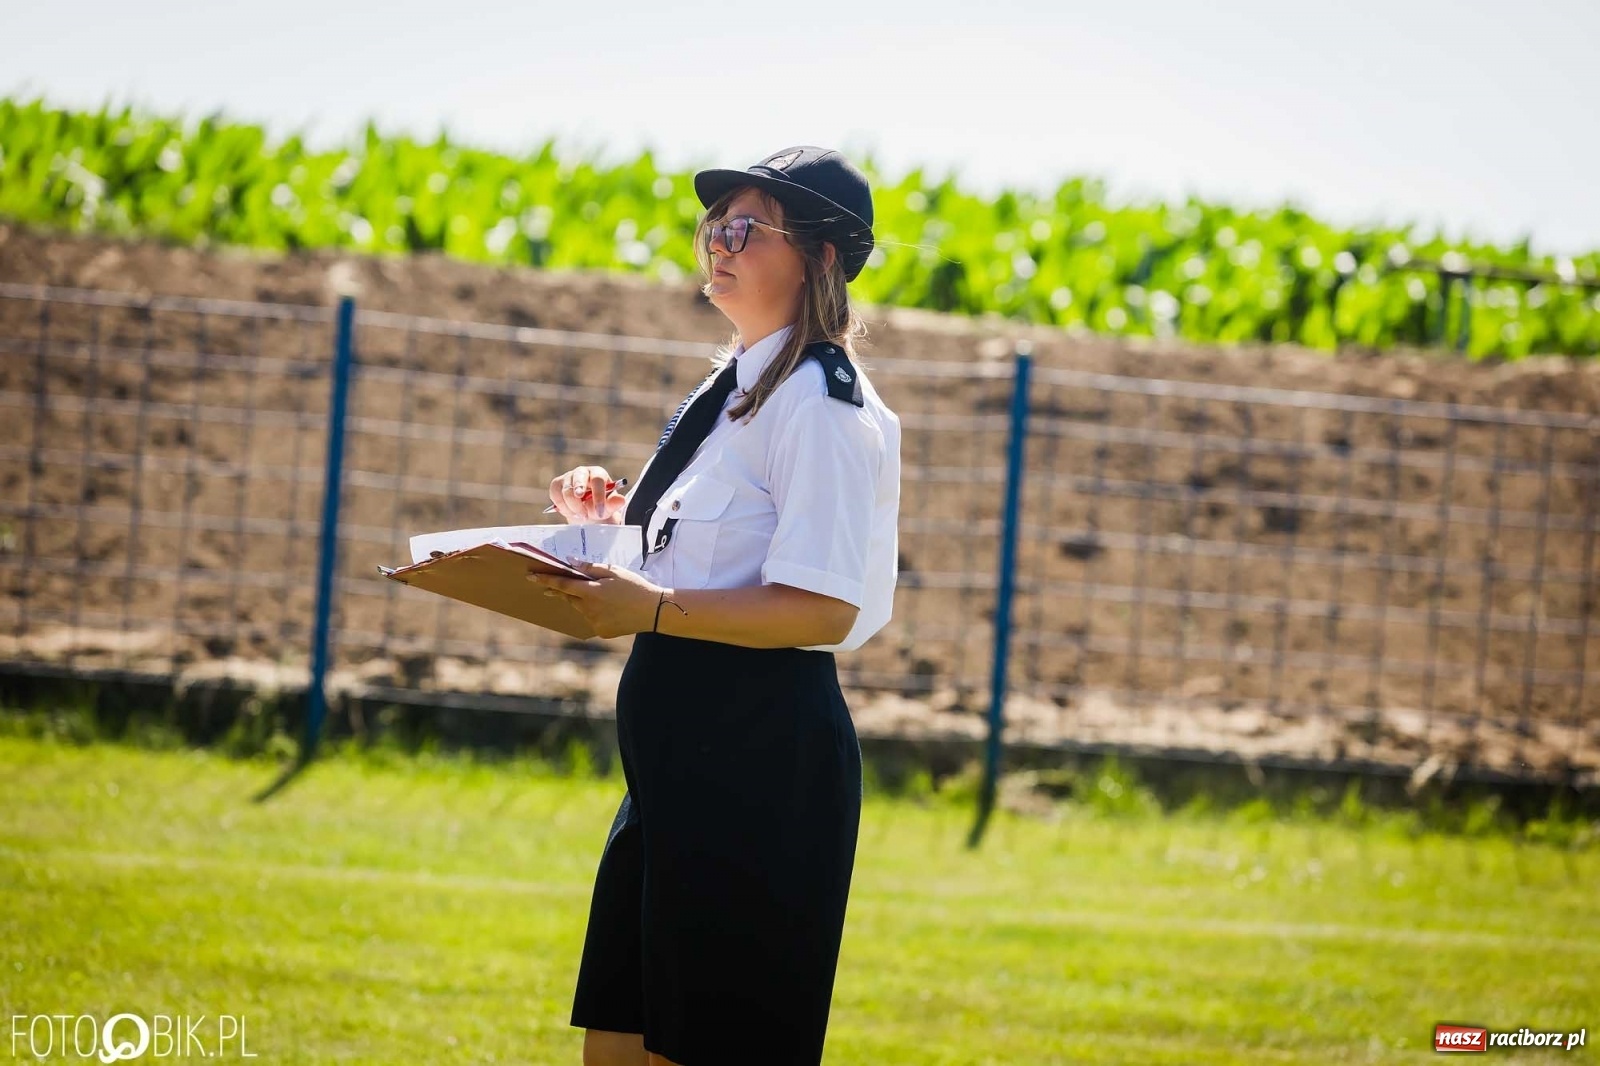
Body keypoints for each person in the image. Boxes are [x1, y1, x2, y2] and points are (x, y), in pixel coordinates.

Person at [531, 145, 901, 1066]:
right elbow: (703, 560)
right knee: (616, 1048)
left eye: (745, 227)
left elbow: (820, 609)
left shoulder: (820, 404)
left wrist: (647, 606)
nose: (717, 244)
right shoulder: (731, 388)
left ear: (819, 258)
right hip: (676, 768)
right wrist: (608, 524)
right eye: (713, 226)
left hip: (757, 765)